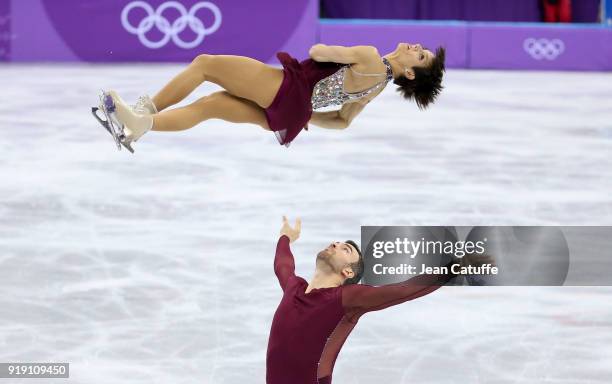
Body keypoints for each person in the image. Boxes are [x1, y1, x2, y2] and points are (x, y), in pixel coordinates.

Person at [97, 42, 445, 151]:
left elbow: (318, 50)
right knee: (211, 106)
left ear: (411, 73)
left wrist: (332, 55)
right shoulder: (377, 87)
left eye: (420, 55)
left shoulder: (369, 55)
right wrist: (307, 115)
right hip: (291, 112)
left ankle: (146, 109)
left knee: (205, 65)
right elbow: (342, 121)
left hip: (288, 87)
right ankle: (141, 125)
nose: (416, 47)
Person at [266, 216, 490, 384]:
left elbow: (403, 290)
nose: (335, 244)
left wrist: (454, 268)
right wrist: (285, 236)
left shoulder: (345, 300)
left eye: (345, 250)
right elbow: (283, 265)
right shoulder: (294, 288)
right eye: (337, 243)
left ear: (348, 273)